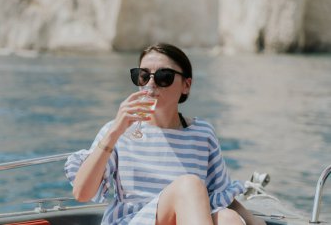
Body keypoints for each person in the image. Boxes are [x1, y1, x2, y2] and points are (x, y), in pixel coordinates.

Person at [65, 43, 266, 225]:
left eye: (164, 77)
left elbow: (222, 196)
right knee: (189, 185)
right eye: (143, 76)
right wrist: (115, 132)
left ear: (186, 85)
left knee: (228, 218)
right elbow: (82, 193)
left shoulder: (202, 133)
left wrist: (253, 221)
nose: (150, 85)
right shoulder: (118, 130)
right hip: (132, 221)